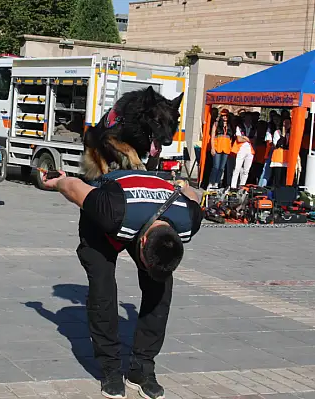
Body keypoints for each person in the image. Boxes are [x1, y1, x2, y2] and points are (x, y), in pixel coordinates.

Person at [41, 169, 203, 399]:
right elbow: (73, 187)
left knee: (161, 288)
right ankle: (110, 368)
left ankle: (142, 369)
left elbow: (192, 195)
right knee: (103, 287)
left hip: (145, 213)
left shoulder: (189, 219)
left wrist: (185, 185)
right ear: (143, 240)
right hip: (104, 223)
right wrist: (58, 181)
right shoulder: (109, 208)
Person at [208, 109, 233, 189]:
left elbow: (231, 138)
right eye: (223, 115)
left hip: (226, 149)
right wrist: (212, 148)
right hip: (217, 147)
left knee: (221, 168)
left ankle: (217, 183)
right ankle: (211, 182)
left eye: (226, 115)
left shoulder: (230, 125)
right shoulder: (216, 124)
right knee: (216, 167)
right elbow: (212, 137)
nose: (225, 117)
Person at [270, 117, 290, 187]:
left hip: (287, 159)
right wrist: (283, 136)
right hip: (278, 158)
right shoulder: (277, 132)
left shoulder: (291, 133)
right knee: (277, 178)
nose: (287, 125)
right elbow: (277, 145)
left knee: (284, 179)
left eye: (288, 123)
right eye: (285, 124)